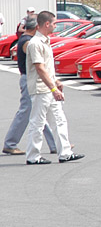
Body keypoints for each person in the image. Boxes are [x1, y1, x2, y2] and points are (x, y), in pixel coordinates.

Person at [23, 11, 82, 164]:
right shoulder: (35, 43)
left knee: (59, 119)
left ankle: (65, 152)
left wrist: (56, 81)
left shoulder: (45, 41)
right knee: (38, 122)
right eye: (54, 23)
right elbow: (40, 68)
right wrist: (53, 89)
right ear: (47, 24)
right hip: (41, 89)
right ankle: (33, 156)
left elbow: (47, 68)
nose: (56, 26)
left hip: (48, 88)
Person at [3, 17, 57, 156]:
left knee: (39, 112)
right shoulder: (27, 42)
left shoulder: (25, 40)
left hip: (30, 79)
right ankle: (10, 143)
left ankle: (55, 143)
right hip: (30, 79)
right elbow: (37, 61)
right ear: (36, 28)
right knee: (26, 111)